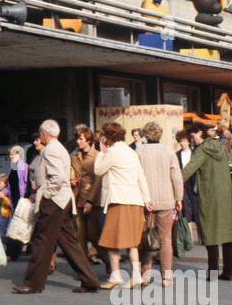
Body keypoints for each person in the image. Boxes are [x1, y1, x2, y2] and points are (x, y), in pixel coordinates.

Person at [13, 120, 100, 295]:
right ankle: (90, 280)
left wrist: (46, 194)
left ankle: (33, 283)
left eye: (40, 133)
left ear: (45, 134)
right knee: (69, 243)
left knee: (42, 241)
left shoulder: (51, 150)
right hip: (63, 200)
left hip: (54, 201)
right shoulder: (59, 148)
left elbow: (58, 177)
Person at [93, 122, 153, 287]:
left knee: (112, 240)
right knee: (132, 242)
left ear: (106, 137)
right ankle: (136, 276)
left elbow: (98, 170)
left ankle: (116, 276)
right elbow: (141, 176)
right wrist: (147, 200)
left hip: (119, 201)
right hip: (135, 201)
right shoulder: (130, 151)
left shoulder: (112, 152)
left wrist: (101, 152)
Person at [181, 121, 232, 280]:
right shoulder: (220, 146)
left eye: (192, 135)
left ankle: (212, 272)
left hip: (209, 196)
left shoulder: (201, 150)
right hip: (226, 195)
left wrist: (172, 181)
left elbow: (187, 171)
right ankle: (229, 271)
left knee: (210, 233)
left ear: (199, 133)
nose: (191, 138)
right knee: (228, 234)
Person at [136, 121, 183, 287]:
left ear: (144, 134)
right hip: (166, 199)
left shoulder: (139, 151)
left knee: (146, 238)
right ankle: (166, 277)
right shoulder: (168, 151)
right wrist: (179, 198)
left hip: (145, 201)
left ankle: (146, 274)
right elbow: (176, 178)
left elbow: (136, 176)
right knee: (165, 239)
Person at [71, 125, 103, 267]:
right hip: (77, 199)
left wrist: (91, 200)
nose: (78, 141)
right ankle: (83, 268)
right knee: (79, 236)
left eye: (81, 139)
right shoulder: (74, 156)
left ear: (89, 140)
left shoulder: (97, 156)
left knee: (94, 235)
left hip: (93, 200)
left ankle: (108, 261)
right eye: (77, 139)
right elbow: (72, 173)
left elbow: (98, 179)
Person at [5, 144, 32, 261]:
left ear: (19, 155)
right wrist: (4, 192)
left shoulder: (24, 167)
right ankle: (15, 251)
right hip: (15, 201)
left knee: (18, 226)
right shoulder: (13, 168)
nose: (11, 156)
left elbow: (27, 184)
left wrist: (26, 197)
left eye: (13, 154)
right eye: (10, 154)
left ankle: (13, 252)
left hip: (21, 201)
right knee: (18, 226)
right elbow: (10, 185)